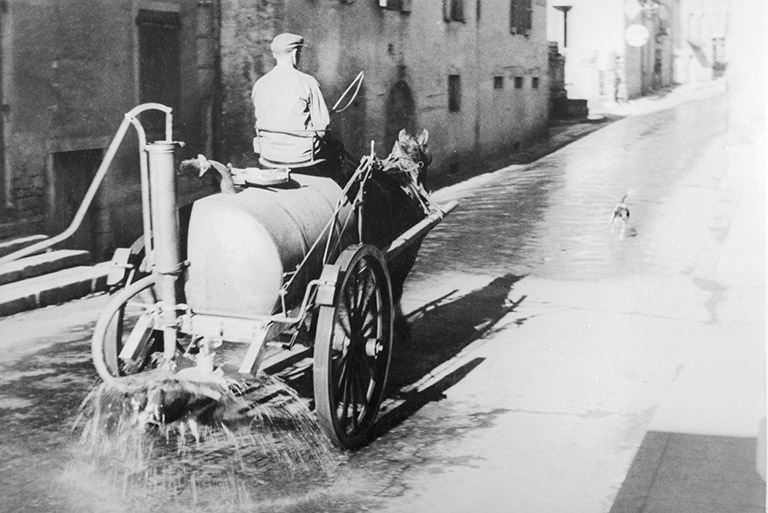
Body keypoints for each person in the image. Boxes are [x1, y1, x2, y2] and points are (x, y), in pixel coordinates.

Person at [251, 33, 339, 176]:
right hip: (300, 157)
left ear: (275, 55)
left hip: (268, 154)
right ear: (296, 52)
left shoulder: (260, 84)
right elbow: (323, 129)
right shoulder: (307, 82)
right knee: (336, 148)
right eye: (300, 52)